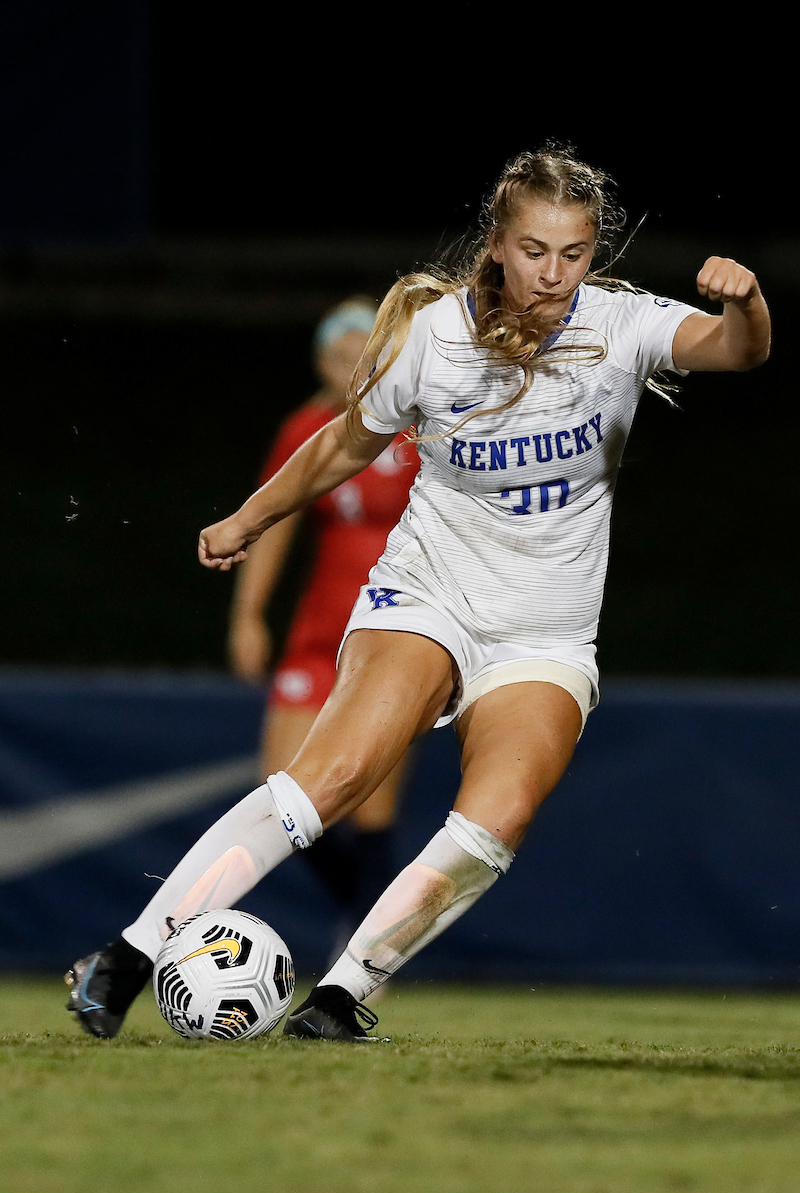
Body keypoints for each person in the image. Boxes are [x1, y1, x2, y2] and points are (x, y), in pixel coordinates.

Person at [66, 143, 771, 1042]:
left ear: (595, 255)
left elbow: (736, 352)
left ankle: (338, 998)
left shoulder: (619, 326)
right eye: (533, 250)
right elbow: (342, 445)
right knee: (329, 782)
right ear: (499, 243)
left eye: (574, 253)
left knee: (496, 822)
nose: (553, 273)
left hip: (544, 634)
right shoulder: (435, 336)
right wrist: (251, 518)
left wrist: (747, 303)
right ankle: (126, 957)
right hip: (427, 594)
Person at [227, 297, 419, 950]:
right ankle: (378, 922)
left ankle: (361, 951)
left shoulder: (419, 427)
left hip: (395, 632)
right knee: (278, 792)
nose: (351, 367)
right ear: (320, 362)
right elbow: (273, 522)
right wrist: (249, 615)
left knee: (372, 800)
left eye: (363, 353)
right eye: (339, 356)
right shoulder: (306, 428)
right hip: (317, 635)